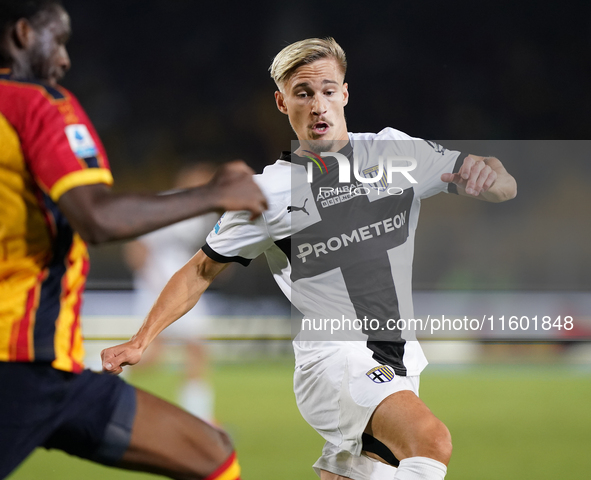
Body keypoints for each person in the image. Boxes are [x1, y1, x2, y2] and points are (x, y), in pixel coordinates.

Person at [102, 38, 517, 480]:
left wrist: (489, 175)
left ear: (345, 93)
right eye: (303, 93)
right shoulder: (268, 194)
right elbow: (200, 269)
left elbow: (499, 182)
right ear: (282, 102)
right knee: (431, 441)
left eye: (327, 90)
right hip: (334, 358)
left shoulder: (397, 152)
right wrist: (141, 340)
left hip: (399, 357)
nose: (318, 105)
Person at [0, 1, 267, 478]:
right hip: (20, 364)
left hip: (56, 375)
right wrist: (212, 193)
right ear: (22, 33)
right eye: (56, 41)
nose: (63, 60)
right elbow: (98, 219)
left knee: (212, 454)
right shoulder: (37, 103)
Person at [124, 162, 220, 421]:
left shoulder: (204, 212)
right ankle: (102, 371)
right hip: (162, 283)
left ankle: (199, 418)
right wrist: (154, 283)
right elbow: (137, 244)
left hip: (183, 282)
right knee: (159, 353)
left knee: (188, 349)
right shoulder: (168, 205)